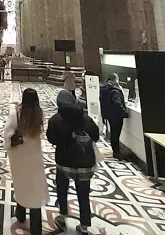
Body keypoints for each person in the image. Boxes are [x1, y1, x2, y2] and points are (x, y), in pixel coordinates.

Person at [47, 90, 100, 234]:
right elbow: (96, 135)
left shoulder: (56, 119)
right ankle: (84, 224)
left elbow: (51, 138)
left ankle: (63, 215)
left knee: (62, 189)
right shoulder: (85, 117)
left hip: (64, 161)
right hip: (85, 162)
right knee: (83, 193)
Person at [4, 88, 48, 234]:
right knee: (35, 189)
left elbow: (7, 134)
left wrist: (9, 145)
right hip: (34, 156)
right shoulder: (39, 113)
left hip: (20, 155)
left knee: (21, 184)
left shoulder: (17, 113)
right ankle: (36, 228)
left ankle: (20, 215)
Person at [100, 73, 129, 159]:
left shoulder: (103, 88)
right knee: (116, 134)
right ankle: (117, 152)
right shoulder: (115, 89)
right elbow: (116, 102)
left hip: (109, 114)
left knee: (113, 133)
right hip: (117, 115)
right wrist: (124, 112)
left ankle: (116, 150)